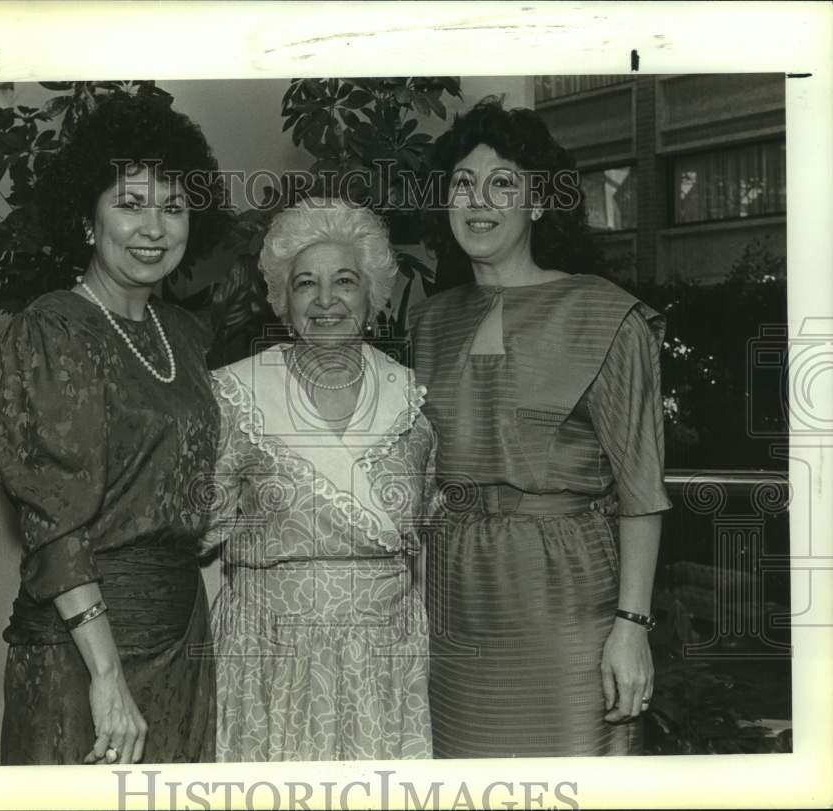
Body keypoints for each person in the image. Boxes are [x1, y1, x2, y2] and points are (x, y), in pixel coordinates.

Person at [411, 98, 671, 758]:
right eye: (463, 183)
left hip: (566, 597)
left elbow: (641, 490)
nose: (479, 200)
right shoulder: (429, 322)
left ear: (540, 202)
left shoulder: (605, 315)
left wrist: (632, 626)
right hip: (454, 602)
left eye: (503, 183)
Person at [0, 91, 230, 765]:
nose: (154, 226)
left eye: (174, 206)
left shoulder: (183, 332)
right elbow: (56, 524)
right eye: (131, 203)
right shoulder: (54, 327)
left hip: (180, 642)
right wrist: (106, 674)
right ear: (88, 220)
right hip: (81, 652)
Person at [198, 199, 436, 761]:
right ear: (283, 302)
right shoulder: (235, 395)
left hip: (385, 659)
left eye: (345, 281)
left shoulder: (412, 400)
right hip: (268, 655)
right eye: (306, 283)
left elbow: (425, 542)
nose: (326, 300)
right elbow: (200, 535)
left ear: (372, 297)